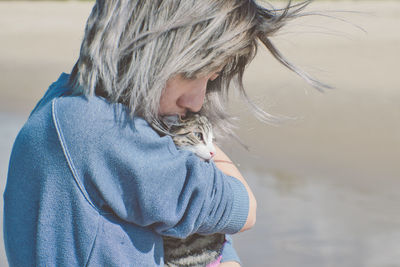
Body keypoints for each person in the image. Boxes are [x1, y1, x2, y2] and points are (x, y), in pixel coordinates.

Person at [4, 0, 318, 266]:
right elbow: (242, 209)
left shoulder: (62, 105)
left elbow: (195, 222)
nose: (196, 102)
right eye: (193, 74)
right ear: (147, 51)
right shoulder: (100, 131)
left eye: (212, 78)